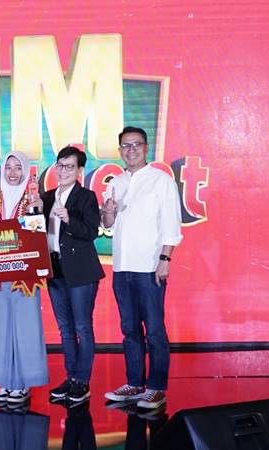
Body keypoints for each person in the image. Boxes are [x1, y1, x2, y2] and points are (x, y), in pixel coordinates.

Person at [102, 126, 182, 410]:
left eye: (136, 145)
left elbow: (172, 225)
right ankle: (135, 383)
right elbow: (108, 226)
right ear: (120, 150)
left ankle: (157, 387)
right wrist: (109, 213)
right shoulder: (116, 182)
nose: (131, 150)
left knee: (155, 330)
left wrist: (165, 259)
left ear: (146, 148)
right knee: (129, 329)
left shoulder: (161, 181)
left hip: (150, 266)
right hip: (122, 267)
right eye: (125, 145)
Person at [0, 151, 48, 406]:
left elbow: (39, 234)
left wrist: (38, 211)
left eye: (17, 167)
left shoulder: (34, 200)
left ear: (26, 171)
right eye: (8, 167)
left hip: (25, 274)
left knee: (25, 327)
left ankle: (21, 383)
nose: (12, 172)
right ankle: (2, 380)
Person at [43, 145, 105, 404]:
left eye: (69, 166)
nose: (63, 171)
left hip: (81, 272)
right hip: (54, 270)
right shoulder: (45, 197)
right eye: (60, 165)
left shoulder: (87, 197)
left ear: (80, 170)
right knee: (65, 329)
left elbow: (91, 232)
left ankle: (82, 381)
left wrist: (69, 218)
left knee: (82, 327)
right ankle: (70, 377)